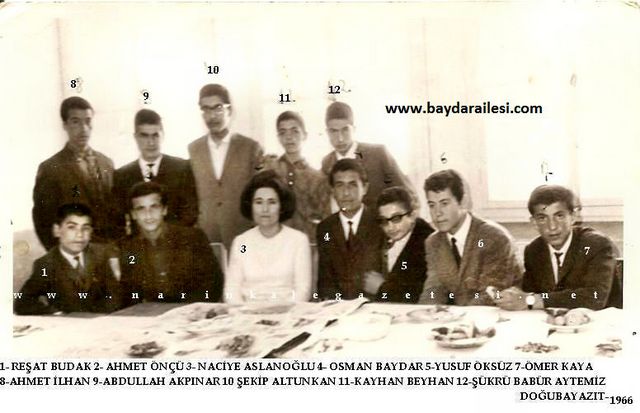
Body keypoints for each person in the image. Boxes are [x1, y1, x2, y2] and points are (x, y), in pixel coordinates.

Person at [493, 185, 620, 311]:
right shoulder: (534, 250)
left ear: (573, 217)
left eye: (559, 216)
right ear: (534, 222)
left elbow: (595, 296)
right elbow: (530, 292)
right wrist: (512, 296)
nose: (552, 226)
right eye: (542, 218)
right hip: (555, 321)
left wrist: (531, 300)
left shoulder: (595, 244)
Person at [418, 169, 522, 306]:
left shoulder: (494, 237)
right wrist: (426, 312)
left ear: (463, 202)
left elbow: (490, 293)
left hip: (501, 313)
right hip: (465, 314)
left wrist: (458, 317)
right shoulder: (434, 242)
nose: (437, 213)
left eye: (444, 203)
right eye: (432, 205)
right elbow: (434, 289)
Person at [118, 182, 223, 306]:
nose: (148, 214)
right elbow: (129, 293)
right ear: (133, 215)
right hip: (150, 314)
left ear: (164, 210)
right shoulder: (128, 247)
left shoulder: (192, 238)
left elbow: (213, 283)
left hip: (190, 311)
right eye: (141, 209)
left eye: (154, 207)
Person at [188, 84, 264, 249]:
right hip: (206, 238)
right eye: (206, 109)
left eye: (218, 108)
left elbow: (259, 194)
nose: (212, 116)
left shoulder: (250, 148)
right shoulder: (194, 150)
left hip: (243, 236)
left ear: (230, 110)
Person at [33, 97, 114, 250]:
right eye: (76, 122)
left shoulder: (107, 163)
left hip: (109, 253)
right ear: (65, 125)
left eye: (88, 121)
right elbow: (43, 223)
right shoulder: (51, 168)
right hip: (75, 255)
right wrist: (65, 258)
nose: (84, 129)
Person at [15, 203, 120, 315]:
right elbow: (22, 303)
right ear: (57, 230)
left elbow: (114, 294)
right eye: (71, 227)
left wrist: (104, 316)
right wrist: (55, 313)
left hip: (101, 319)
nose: (80, 235)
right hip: (68, 322)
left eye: (85, 228)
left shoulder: (100, 254)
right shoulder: (46, 264)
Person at [224, 170, 312, 303]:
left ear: (281, 207)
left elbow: (303, 290)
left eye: (272, 202)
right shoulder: (242, 243)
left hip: (288, 311)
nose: (265, 209)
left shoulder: (298, 241)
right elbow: (231, 290)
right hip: (247, 312)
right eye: (258, 202)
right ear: (250, 206)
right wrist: (243, 311)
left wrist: (284, 311)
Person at [112, 109, 198, 237]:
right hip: (138, 245)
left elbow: (190, 212)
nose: (151, 142)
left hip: (175, 242)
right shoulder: (122, 175)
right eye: (144, 135)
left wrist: (166, 239)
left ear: (163, 135)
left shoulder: (182, 168)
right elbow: (118, 219)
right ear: (135, 137)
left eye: (155, 135)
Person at [321, 101, 413, 211]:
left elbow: (407, 195)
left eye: (345, 130)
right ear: (327, 132)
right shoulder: (327, 163)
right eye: (334, 131)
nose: (340, 138)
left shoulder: (378, 154)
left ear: (354, 129)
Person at [316, 159, 385, 300]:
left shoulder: (381, 223)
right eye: (339, 185)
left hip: (375, 306)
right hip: (337, 307)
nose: (346, 193)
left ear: (365, 188)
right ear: (332, 191)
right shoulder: (325, 228)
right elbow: (325, 281)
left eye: (352, 185)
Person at [261, 111, 331, 240]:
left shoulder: (317, 178)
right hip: (274, 241)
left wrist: (324, 245)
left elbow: (327, 220)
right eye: (283, 132)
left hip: (307, 242)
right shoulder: (270, 172)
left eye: (295, 131)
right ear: (278, 137)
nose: (289, 137)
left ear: (304, 135)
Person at [363, 187, 435, 303]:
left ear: (412, 215)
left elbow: (419, 295)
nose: (390, 227)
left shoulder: (428, 243)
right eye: (384, 220)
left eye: (396, 218)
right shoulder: (383, 237)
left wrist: (381, 288)